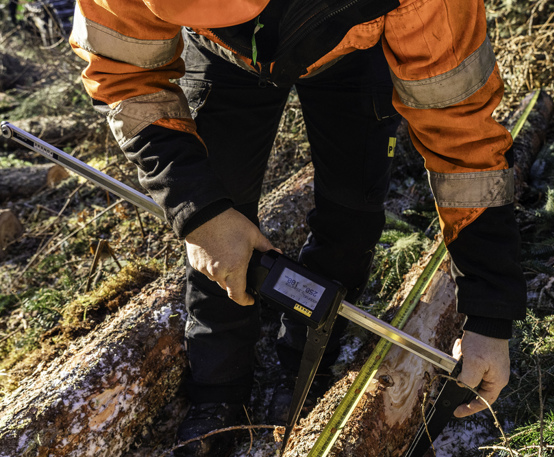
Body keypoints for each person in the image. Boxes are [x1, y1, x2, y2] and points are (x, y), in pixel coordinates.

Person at [70, 0, 527, 455]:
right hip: (218, 57)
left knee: (352, 212)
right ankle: (218, 390)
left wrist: (489, 312)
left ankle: (307, 364)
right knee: (219, 209)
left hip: (356, 47)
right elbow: (125, 77)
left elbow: (463, 139)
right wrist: (199, 212)